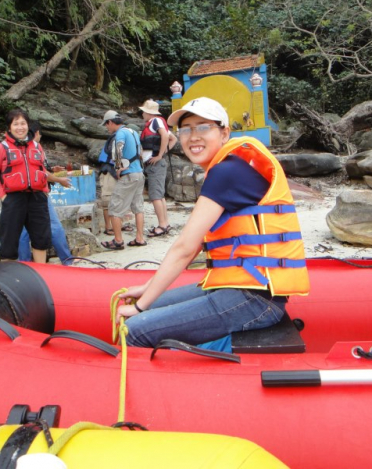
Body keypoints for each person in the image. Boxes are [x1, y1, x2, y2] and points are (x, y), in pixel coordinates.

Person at [115, 97, 309, 347]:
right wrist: (148, 288)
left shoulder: (226, 173)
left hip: (255, 300)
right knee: (150, 306)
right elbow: (195, 244)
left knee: (134, 331)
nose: (193, 136)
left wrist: (141, 307)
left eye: (203, 127)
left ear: (225, 132)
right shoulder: (227, 168)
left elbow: (185, 248)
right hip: (242, 289)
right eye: (185, 129)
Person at [0, 109, 68, 262]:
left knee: (41, 239)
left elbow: (41, 170)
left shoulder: (37, 147)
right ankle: (9, 277)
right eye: (15, 124)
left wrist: (44, 191)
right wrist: (3, 196)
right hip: (13, 198)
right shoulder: (2, 147)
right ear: (9, 127)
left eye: (23, 123)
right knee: (9, 243)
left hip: (37, 198)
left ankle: (41, 274)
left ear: (28, 125)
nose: (20, 127)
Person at [17, 124, 73, 264]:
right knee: (54, 225)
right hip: (38, 193)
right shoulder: (34, 147)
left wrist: (52, 170)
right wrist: (59, 180)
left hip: (20, 194)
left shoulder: (16, 147)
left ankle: (24, 263)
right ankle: (67, 260)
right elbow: (41, 173)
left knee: (23, 230)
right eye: (40, 134)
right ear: (36, 133)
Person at [100, 110, 146, 249]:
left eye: (106, 124)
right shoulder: (133, 132)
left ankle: (118, 241)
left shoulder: (120, 133)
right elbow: (141, 152)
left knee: (114, 208)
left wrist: (118, 166)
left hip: (129, 175)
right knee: (138, 207)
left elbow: (118, 148)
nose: (106, 127)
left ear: (111, 122)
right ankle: (140, 238)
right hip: (139, 173)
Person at [139, 99, 176, 237]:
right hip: (153, 164)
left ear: (148, 112)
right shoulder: (153, 123)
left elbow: (167, 136)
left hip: (155, 164)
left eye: (143, 111)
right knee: (159, 196)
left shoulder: (156, 121)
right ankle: (165, 223)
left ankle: (162, 225)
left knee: (155, 196)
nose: (142, 113)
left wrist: (160, 155)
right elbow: (173, 139)